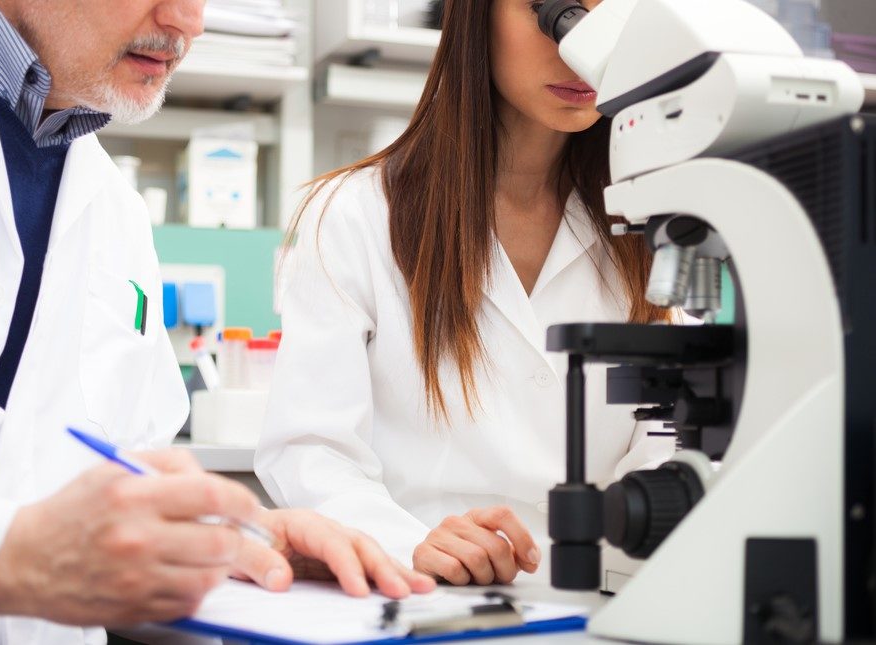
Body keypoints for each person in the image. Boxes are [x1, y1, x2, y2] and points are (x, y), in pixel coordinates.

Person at [0, 1, 433, 644]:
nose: (188, 20)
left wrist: (235, 543)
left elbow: (117, 494)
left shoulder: (116, 211)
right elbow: (24, 544)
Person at [256, 0, 680, 587]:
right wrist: (409, 544)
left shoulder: (652, 222)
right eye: (557, 10)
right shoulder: (353, 214)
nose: (580, 47)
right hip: (425, 593)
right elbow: (312, 451)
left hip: (604, 592)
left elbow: (669, 438)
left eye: (607, 15)